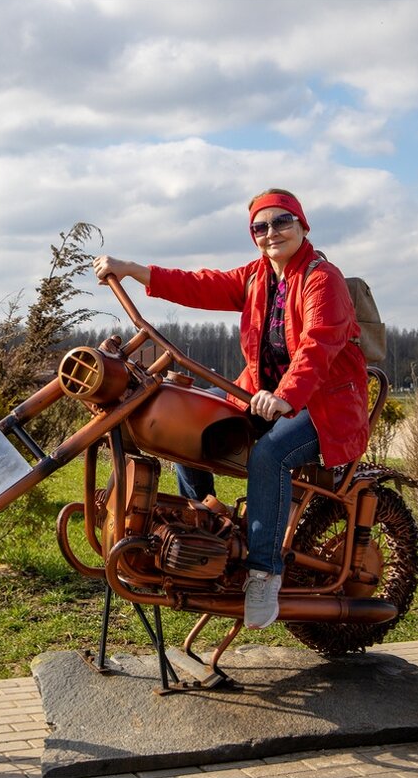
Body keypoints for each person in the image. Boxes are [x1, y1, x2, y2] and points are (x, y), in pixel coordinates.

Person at [92, 188, 370, 630]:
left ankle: (263, 574)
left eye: (282, 222)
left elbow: (319, 344)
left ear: (302, 226)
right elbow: (198, 285)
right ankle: (206, 527)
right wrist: (132, 271)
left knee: (270, 454)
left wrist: (286, 396)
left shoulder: (322, 279)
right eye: (261, 226)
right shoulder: (257, 277)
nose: (271, 232)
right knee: (187, 425)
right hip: (263, 395)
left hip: (323, 405)